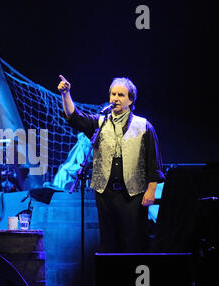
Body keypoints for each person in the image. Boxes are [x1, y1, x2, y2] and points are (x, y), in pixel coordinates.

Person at [57, 75, 165, 253]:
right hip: (105, 193)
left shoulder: (143, 126)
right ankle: (111, 280)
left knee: (133, 242)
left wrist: (151, 190)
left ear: (130, 100)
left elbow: (154, 162)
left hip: (133, 194)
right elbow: (74, 117)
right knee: (109, 244)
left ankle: (137, 280)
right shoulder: (100, 122)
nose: (115, 98)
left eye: (121, 95)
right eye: (113, 94)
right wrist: (66, 94)